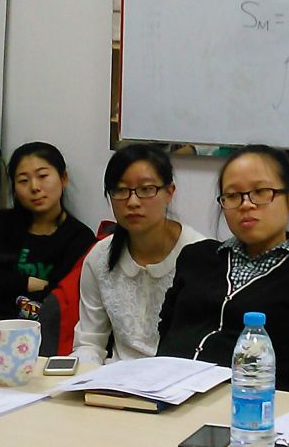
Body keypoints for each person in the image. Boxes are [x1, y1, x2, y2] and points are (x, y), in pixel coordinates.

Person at [157, 145, 289, 398]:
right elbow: (166, 334)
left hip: (253, 409)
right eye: (232, 195)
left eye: (261, 192)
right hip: (163, 398)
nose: (246, 204)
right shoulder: (196, 257)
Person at [73, 144, 207, 365]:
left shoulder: (201, 256)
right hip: (114, 380)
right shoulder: (99, 258)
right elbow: (89, 342)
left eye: (146, 189)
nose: (132, 202)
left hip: (179, 379)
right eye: (120, 190)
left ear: (169, 192)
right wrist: (85, 376)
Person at [0, 142, 94, 322]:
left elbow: (57, 299)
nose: (35, 187)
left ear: (63, 179)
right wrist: (28, 283)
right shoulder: (0, 223)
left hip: (41, 332)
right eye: (23, 180)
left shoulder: (79, 238)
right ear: (14, 189)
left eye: (43, 176)